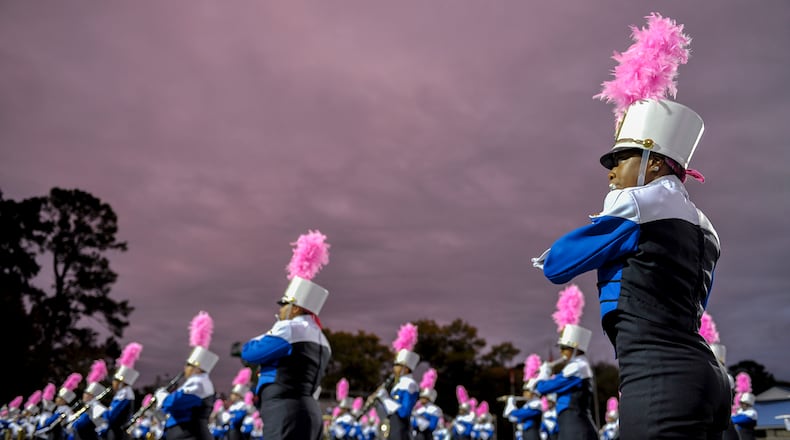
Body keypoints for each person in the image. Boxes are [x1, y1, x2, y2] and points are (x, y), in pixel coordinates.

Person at [531, 13, 731, 439]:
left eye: (620, 159)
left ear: (654, 162)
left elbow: (558, 265)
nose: (611, 172)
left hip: (659, 377)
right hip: (706, 378)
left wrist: (614, 209)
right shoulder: (705, 226)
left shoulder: (636, 203)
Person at [241, 230, 332, 440]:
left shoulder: (289, 329)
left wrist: (268, 332)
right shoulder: (322, 339)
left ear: (296, 308)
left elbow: (250, 353)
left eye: (284, 305)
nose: (281, 311)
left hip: (285, 412)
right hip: (310, 411)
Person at [159, 311, 218, 440]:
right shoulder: (198, 382)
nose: (185, 368)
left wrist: (163, 397)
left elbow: (174, 403)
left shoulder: (199, 382)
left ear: (196, 367)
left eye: (188, 365)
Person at [534, 325, 597, 440]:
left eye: (564, 348)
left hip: (576, 428)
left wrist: (544, 372)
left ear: (575, 349)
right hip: (570, 426)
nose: (561, 351)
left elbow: (542, 388)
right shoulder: (576, 366)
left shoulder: (578, 367)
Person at [375, 323, 420, 440]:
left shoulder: (410, 385)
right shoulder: (398, 384)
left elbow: (404, 412)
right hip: (393, 427)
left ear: (406, 368)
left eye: (397, 365)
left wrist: (385, 399)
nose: (394, 369)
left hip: (401, 430)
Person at [105, 343, 142, 440]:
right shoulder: (122, 393)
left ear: (122, 382)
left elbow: (112, 417)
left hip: (118, 435)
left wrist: (100, 411)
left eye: (115, 380)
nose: (113, 383)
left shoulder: (125, 394)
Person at [412, 368, 442, 440]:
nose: (421, 399)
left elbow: (432, 426)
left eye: (424, 398)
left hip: (427, 435)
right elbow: (413, 422)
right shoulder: (417, 408)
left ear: (429, 399)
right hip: (417, 434)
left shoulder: (435, 409)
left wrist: (422, 423)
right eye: (421, 397)